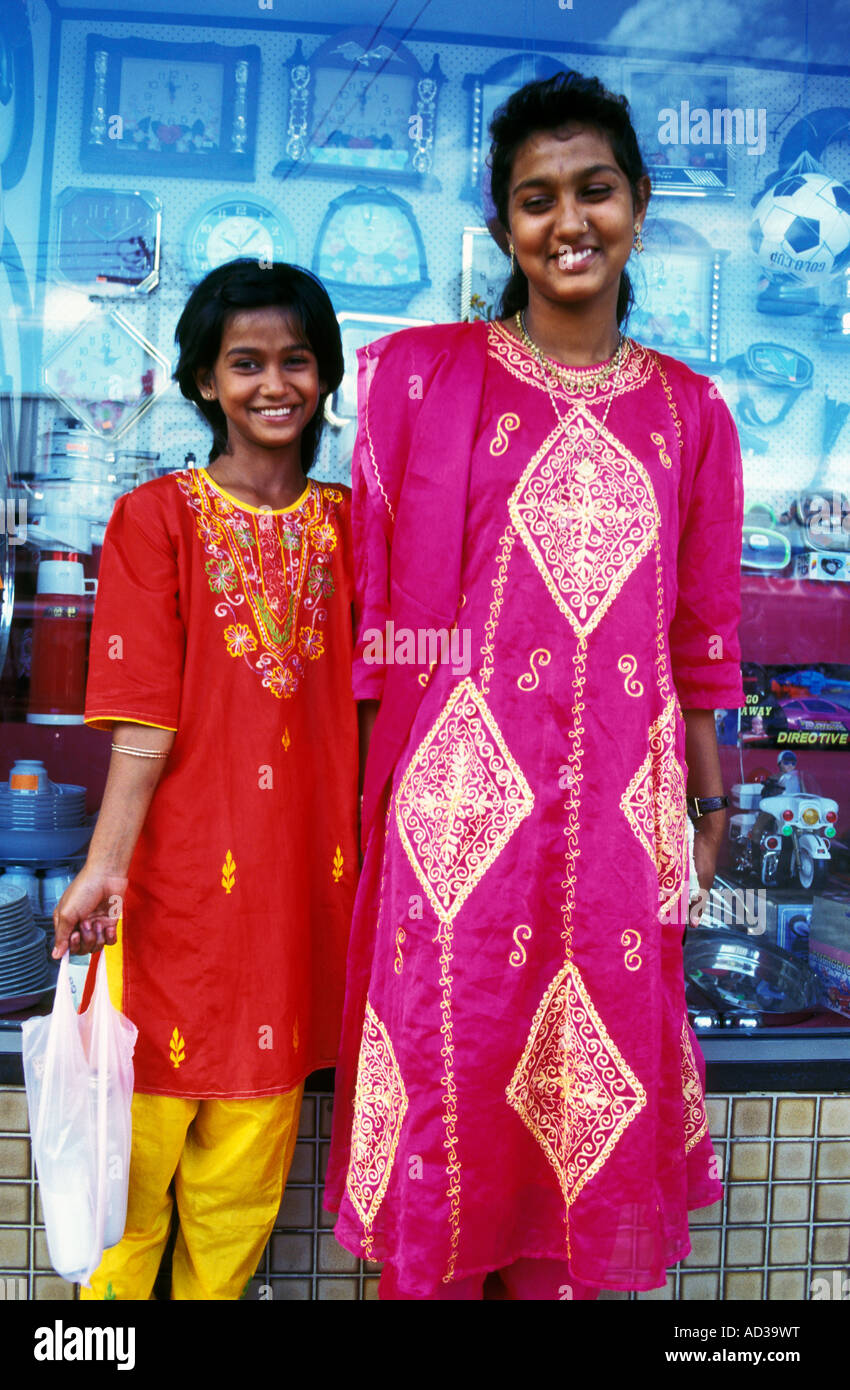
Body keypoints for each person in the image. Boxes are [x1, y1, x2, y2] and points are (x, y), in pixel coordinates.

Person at [323, 71, 745, 1300]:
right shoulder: (419, 379)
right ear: (502, 225)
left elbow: (699, 636)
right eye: (534, 198)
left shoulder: (691, 414)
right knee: (453, 1062)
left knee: (588, 1082)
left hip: (620, 808)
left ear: (638, 204)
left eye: (593, 190)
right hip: (458, 813)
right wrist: (393, 789)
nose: (568, 221)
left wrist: (707, 802)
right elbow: (380, 623)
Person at [53, 259, 358, 1300]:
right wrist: (104, 868)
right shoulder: (157, 520)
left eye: (295, 360)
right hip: (168, 899)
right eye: (245, 363)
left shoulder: (355, 528)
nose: (273, 384)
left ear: (325, 377)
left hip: (294, 910)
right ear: (202, 381)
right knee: (125, 1201)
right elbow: (143, 719)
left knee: (237, 1206)